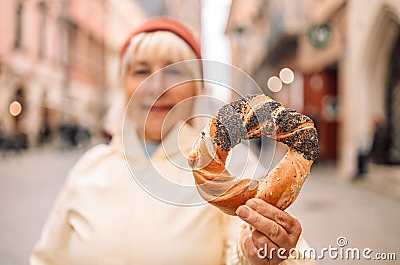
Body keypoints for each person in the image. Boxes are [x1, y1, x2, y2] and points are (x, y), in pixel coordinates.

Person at [31, 18, 315, 265]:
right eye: (141, 71)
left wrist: (261, 258)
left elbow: (278, 256)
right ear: (124, 86)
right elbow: (47, 259)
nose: (155, 86)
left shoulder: (237, 168)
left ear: (196, 88)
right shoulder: (89, 168)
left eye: (175, 71)